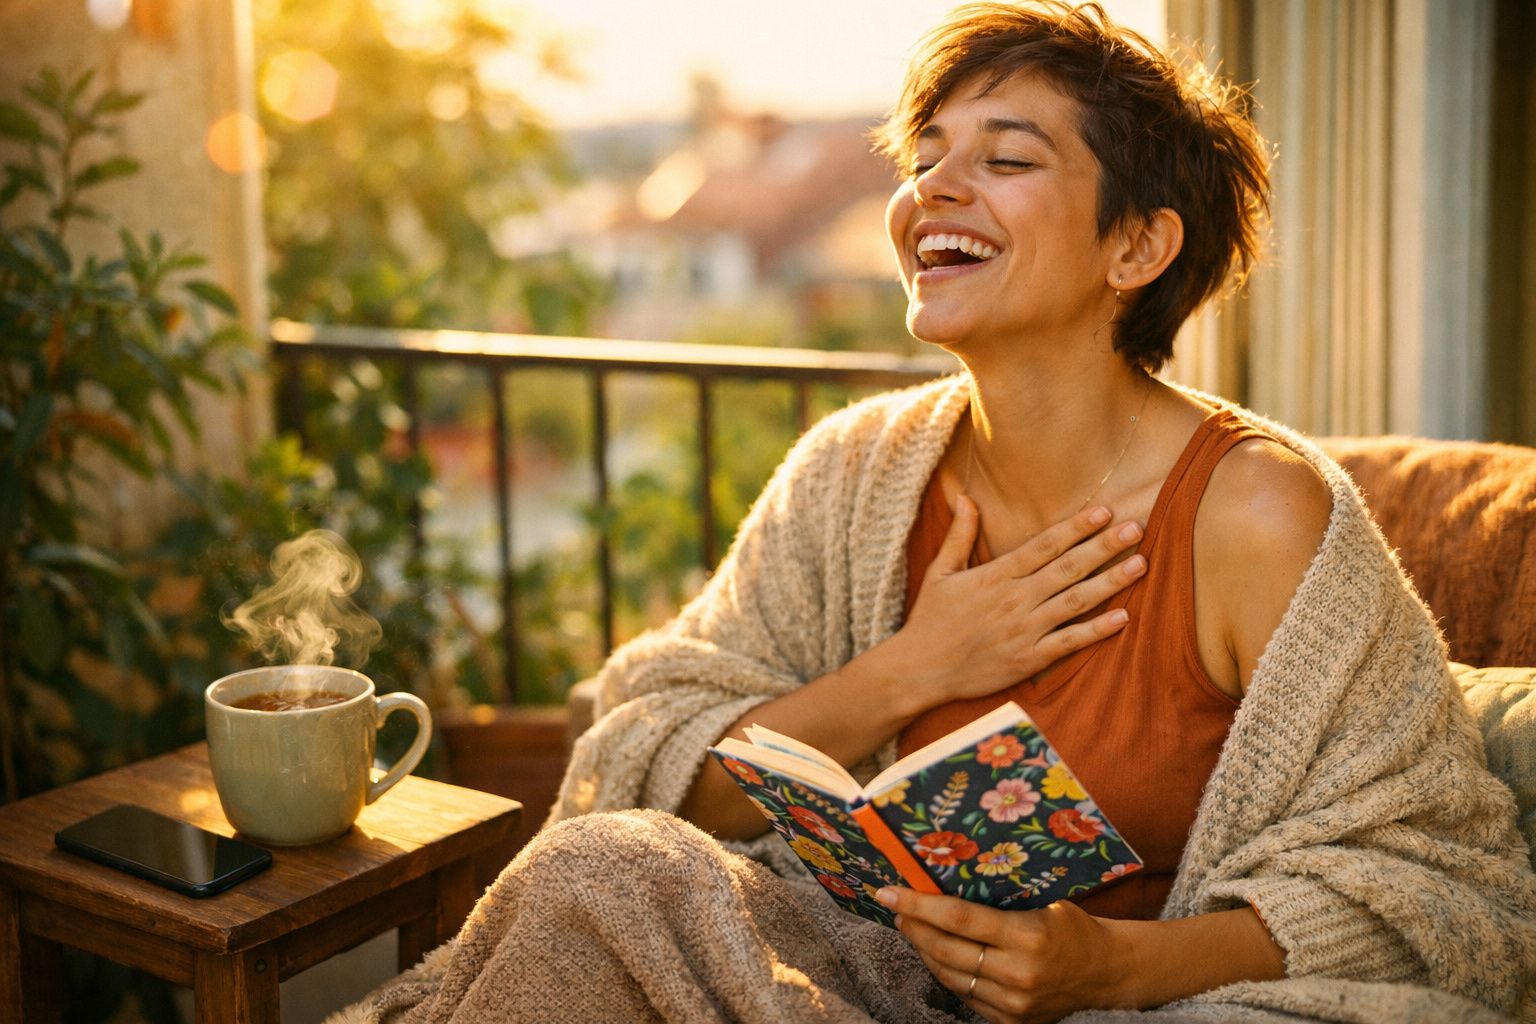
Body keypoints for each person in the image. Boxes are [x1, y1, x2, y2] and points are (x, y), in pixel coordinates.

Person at [342, 4, 1536, 1023]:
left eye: (1005, 159)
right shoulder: (855, 473)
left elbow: (1439, 883)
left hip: (1142, 1003)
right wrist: (909, 670)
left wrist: (1109, 967)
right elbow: (643, 764)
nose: (931, 191)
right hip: (856, 980)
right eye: (926, 154)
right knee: (598, 875)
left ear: (1138, 245)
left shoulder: (1257, 514)